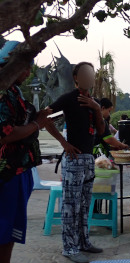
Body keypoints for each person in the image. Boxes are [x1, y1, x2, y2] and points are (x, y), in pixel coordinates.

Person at [45, 62, 105, 263]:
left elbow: (102, 131)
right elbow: (44, 118)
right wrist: (64, 143)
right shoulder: (68, 99)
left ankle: (83, 242)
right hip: (73, 159)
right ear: (76, 78)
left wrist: (97, 109)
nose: (89, 77)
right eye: (85, 74)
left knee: (85, 204)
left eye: (92, 74)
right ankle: (69, 249)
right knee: (71, 206)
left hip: (89, 159)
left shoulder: (94, 102)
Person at [0, 41, 51, 263]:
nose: (28, 72)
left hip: (19, 170)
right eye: (25, 66)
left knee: (10, 229)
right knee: (4, 229)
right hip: (7, 173)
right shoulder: (2, 91)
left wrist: (35, 118)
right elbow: (5, 134)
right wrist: (36, 125)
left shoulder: (14, 90)